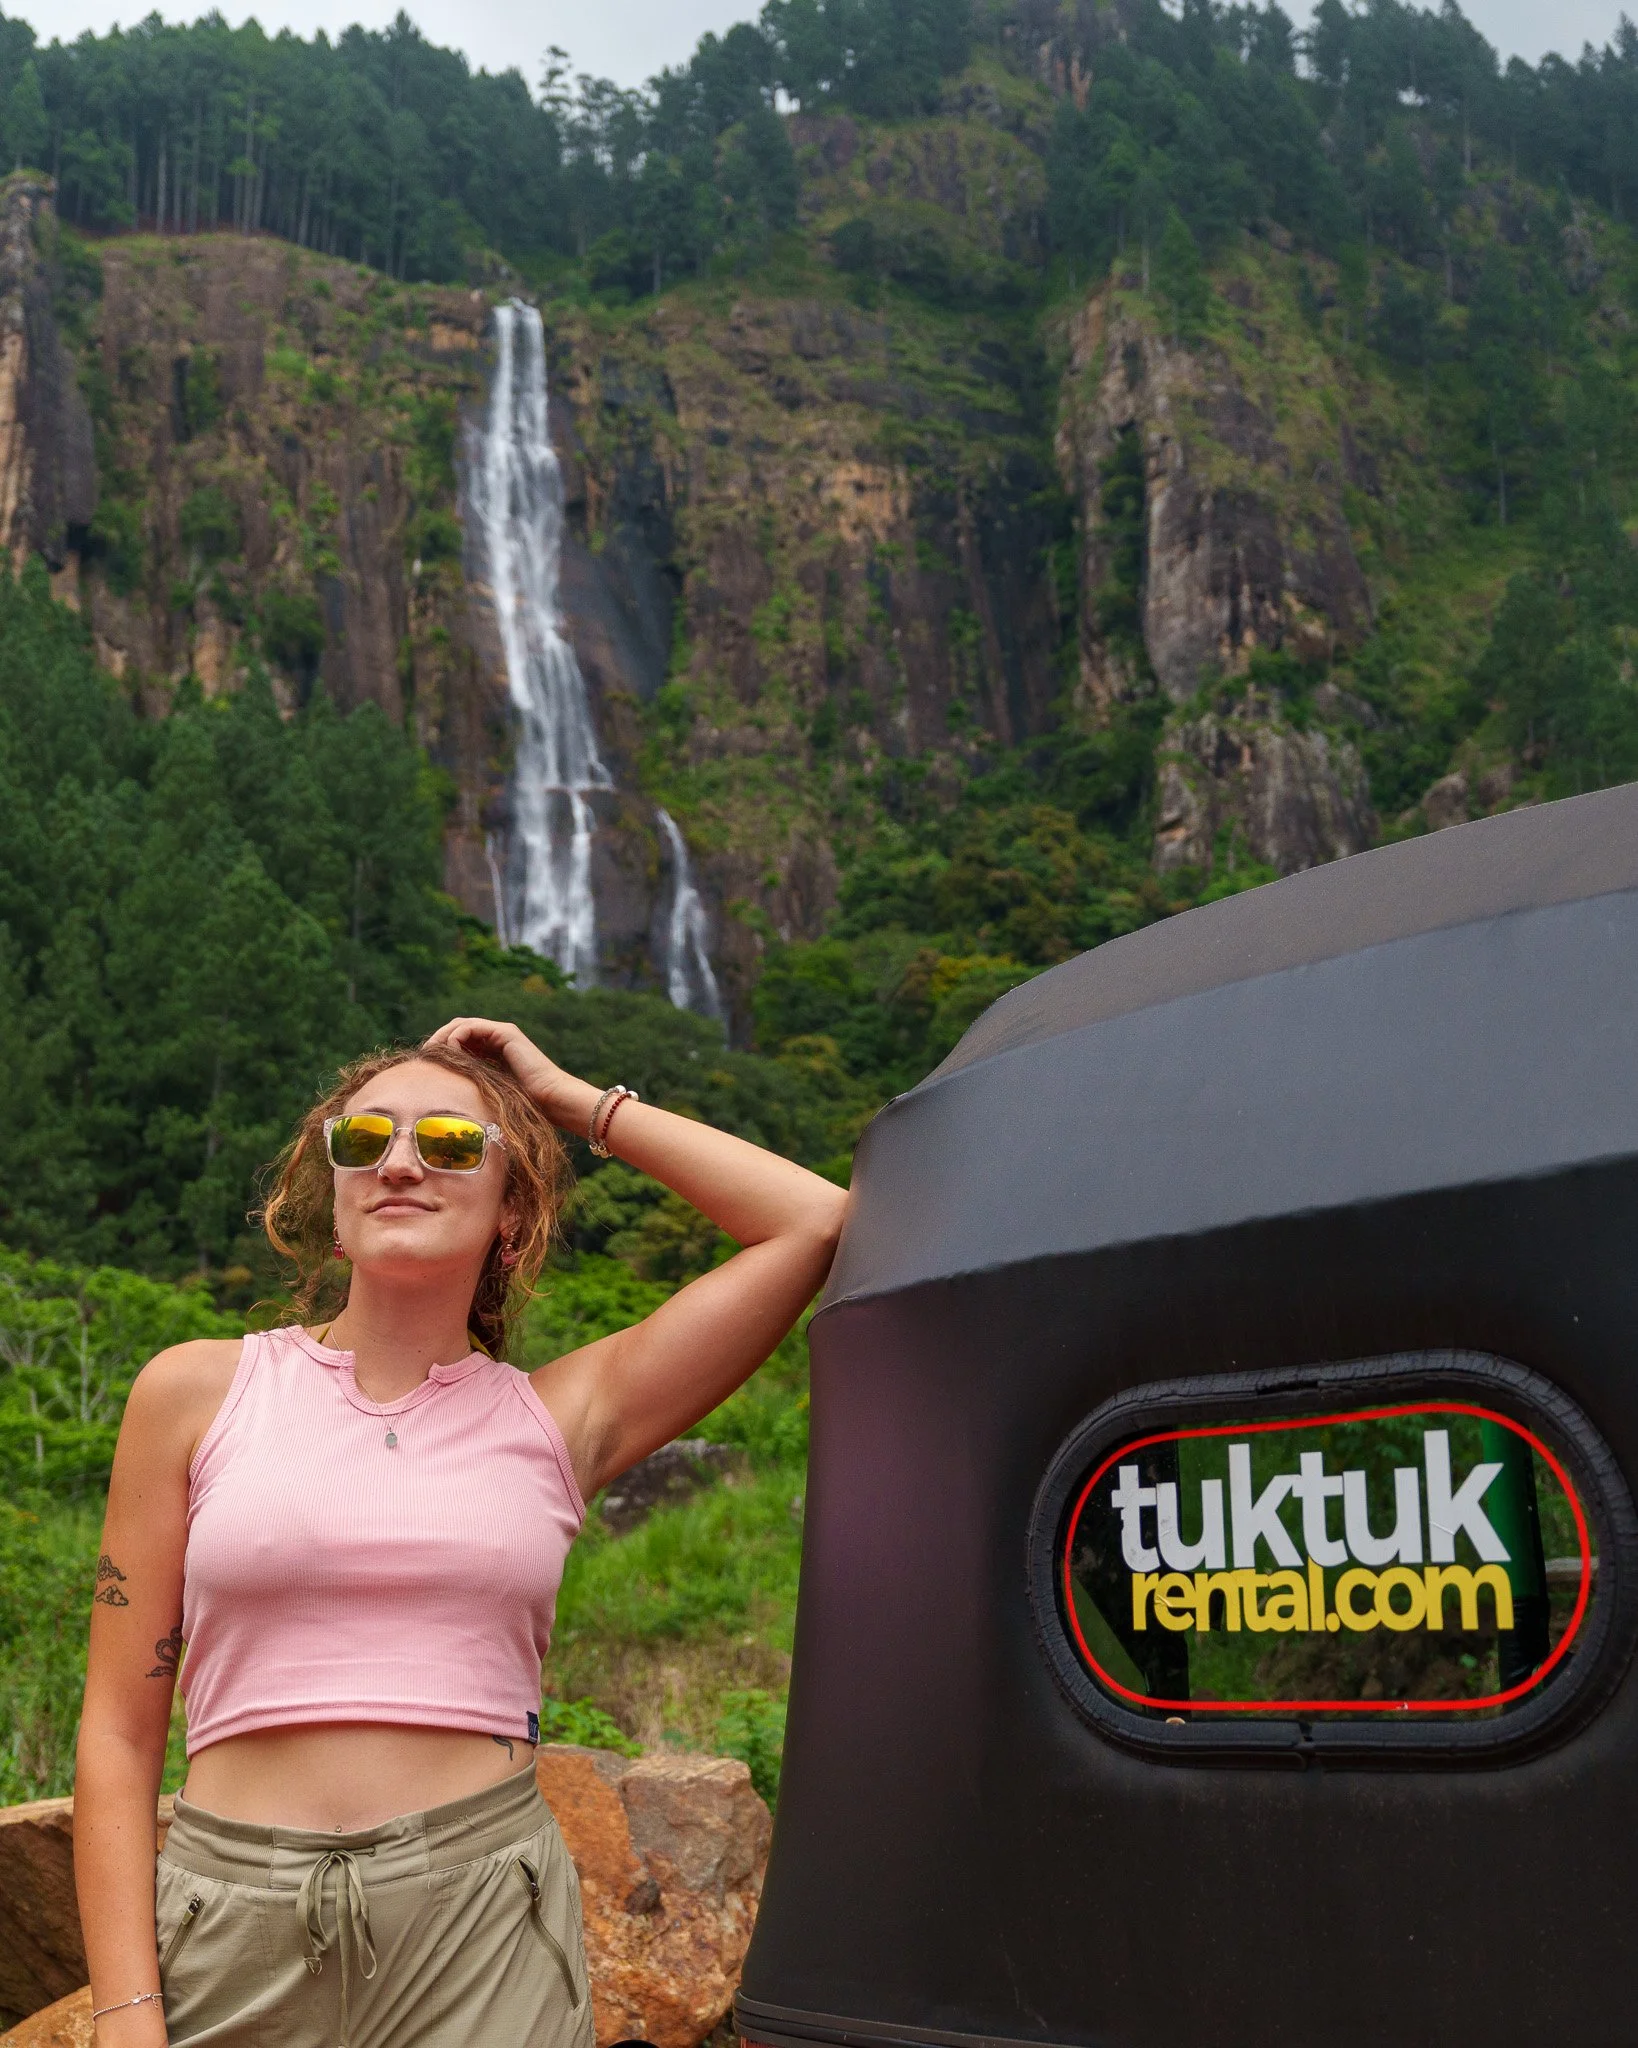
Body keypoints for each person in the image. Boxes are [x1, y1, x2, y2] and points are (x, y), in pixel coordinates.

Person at [75, 1017, 848, 2047]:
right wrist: (129, 2013)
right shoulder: (193, 1392)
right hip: (232, 1919)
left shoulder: (557, 1417)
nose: (400, 1160)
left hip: (482, 1928)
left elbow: (812, 1222)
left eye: (448, 1140)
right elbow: (119, 1735)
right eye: (364, 1140)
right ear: (335, 1200)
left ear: (510, 1207)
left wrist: (573, 1102)